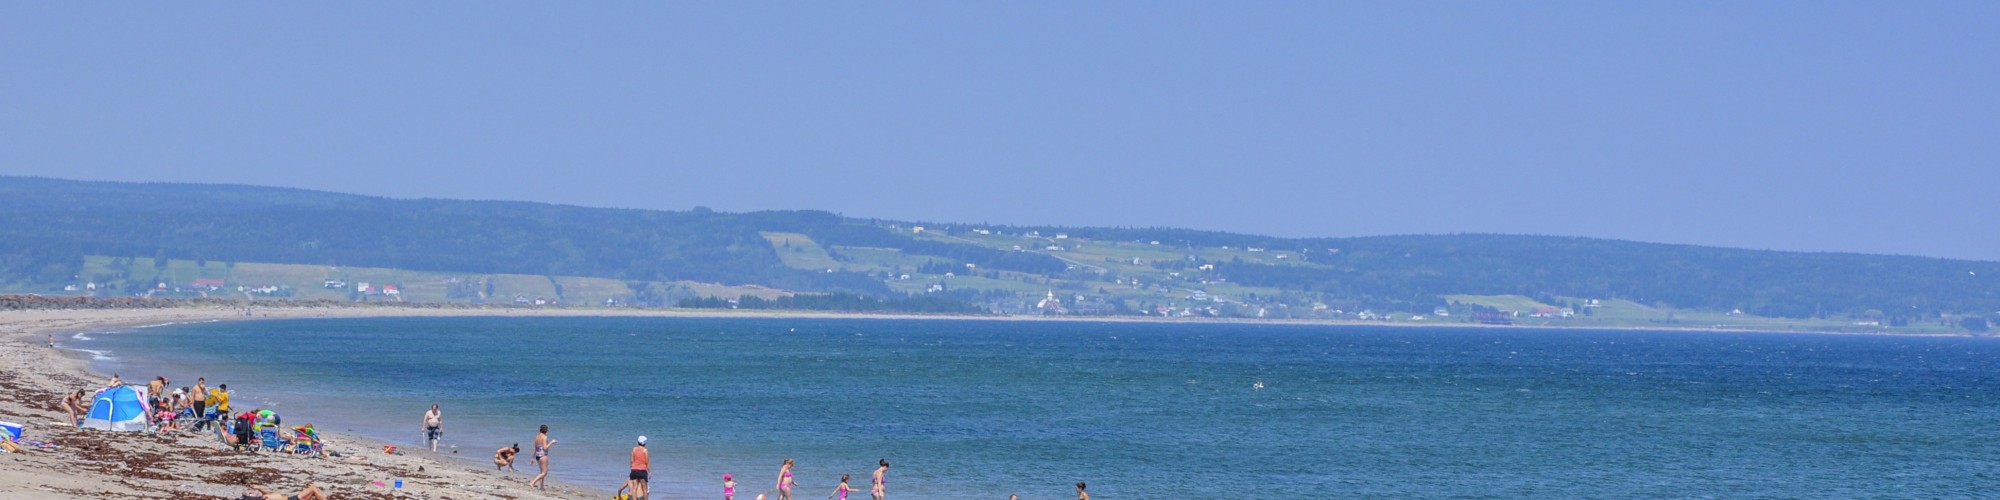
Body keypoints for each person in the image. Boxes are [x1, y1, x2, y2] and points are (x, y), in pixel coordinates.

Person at [528, 424, 557, 490]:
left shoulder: (537, 437)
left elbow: (535, 448)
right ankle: (532, 483)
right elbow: (545, 447)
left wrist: (532, 458)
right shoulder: (544, 437)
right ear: (546, 430)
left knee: (541, 472)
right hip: (543, 456)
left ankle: (541, 487)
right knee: (544, 473)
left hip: (537, 456)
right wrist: (551, 442)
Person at [238, 483, 330, 500]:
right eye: (250, 492)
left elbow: (269, 494)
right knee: (313, 488)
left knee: (313, 489)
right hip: (292, 499)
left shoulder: (263, 497)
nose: (253, 491)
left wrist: (259, 488)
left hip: (292, 498)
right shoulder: (261, 499)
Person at [625, 436, 649, 500]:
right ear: (644, 443)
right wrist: (649, 472)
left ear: (638, 441)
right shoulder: (645, 450)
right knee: (644, 488)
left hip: (634, 470)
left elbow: (632, 460)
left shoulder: (634, 449)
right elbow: (647, 462)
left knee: (634, 487)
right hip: (642, 470)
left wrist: (632, 467)